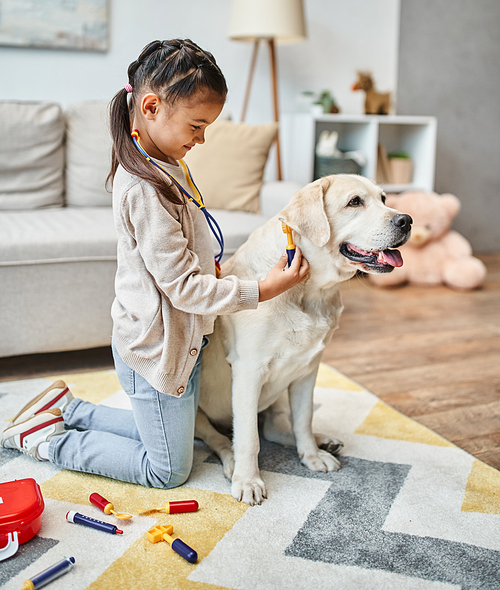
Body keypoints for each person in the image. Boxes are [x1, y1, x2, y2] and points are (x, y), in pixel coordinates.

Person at [1, 38, 309, 488]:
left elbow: (187, 252)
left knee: (179, 438)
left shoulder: (165, 161)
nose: (201, 139)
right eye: (197, 125)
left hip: (184, 338)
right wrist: (262, 290)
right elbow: (182, 288)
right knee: (166, 470)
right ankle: (47, 440)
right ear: (150, 107)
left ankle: (69, 408)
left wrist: (215, 271)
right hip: (155, 348)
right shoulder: (143, 188)